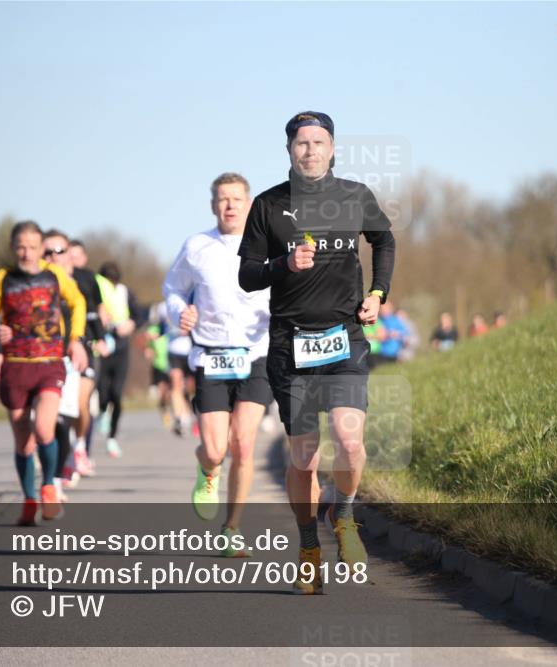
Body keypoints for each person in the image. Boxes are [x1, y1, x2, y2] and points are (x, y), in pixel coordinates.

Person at [239, 111, 395, 594]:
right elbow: (247, 275)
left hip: (344, 336)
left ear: (332, 148)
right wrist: (283, 264)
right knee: (305, 457)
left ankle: (343, 515)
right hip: (291, 343)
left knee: (350, 442)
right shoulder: (268, 205)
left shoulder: (354, 196)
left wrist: (378, 293)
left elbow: (384, 239)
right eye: (301, 143)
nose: (310, 150)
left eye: (319, 141)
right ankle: (308, 543)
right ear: (289, 150)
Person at [163, 172, 272, 556]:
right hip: (210, 355)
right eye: (223, 199)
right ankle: (207, 468)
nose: (229, 205)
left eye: (236, 199)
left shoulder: (270, 244)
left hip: (257, 354)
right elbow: (172, 288)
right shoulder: (196, 247)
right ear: (213, 206)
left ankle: (232, 528)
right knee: (215, 449)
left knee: (243, 442)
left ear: (249, 203)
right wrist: (181, 312)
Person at [0, 220, 88, 526]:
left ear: (42, 249)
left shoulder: (54, 277)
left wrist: (75, 340)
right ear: (13, 248)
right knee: (23, 441)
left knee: (44, 430)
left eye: (33, 247)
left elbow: (78, 302)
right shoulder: (3, 279)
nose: (26, 253)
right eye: (21, 247)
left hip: (50, 363)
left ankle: (49, 484)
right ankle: (28, 499)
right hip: (15, 367)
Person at [66, 238, 109, 476]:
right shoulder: (53, 279)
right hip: (62, 349)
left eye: (76, 255)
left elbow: (98, 310)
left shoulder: (88, 278)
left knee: (81, 401)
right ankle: (66, 452)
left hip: (89, 344)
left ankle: (80, 446)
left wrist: (102, 338)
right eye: (68, 254)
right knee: (65, 407)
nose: (72, 259)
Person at [95, 261, 138, 458]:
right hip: (103, 348)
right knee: (103, 391)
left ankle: (112, 439)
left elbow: (139, 314)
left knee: (117, 395)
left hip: (121, 348)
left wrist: (130, 324)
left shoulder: (125, 292)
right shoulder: (96, 291)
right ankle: (103, 411)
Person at [144, 303, 173, 426]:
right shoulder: (152, 331)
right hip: (159, 364)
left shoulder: (171, 329)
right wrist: (148, 350)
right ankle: (165, 412)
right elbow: (147, 346)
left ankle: (175, 411)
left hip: (171, 363)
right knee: (162, 392)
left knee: (171, 392)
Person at [377, 300, 410, 365]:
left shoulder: (395, 320)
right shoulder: (379, 321)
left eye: (386, 309)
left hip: (395, 351)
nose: (384, 311)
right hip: (381, 352)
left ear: (390, 309)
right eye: (382, 309)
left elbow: (405, 332)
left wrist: (396, 333)